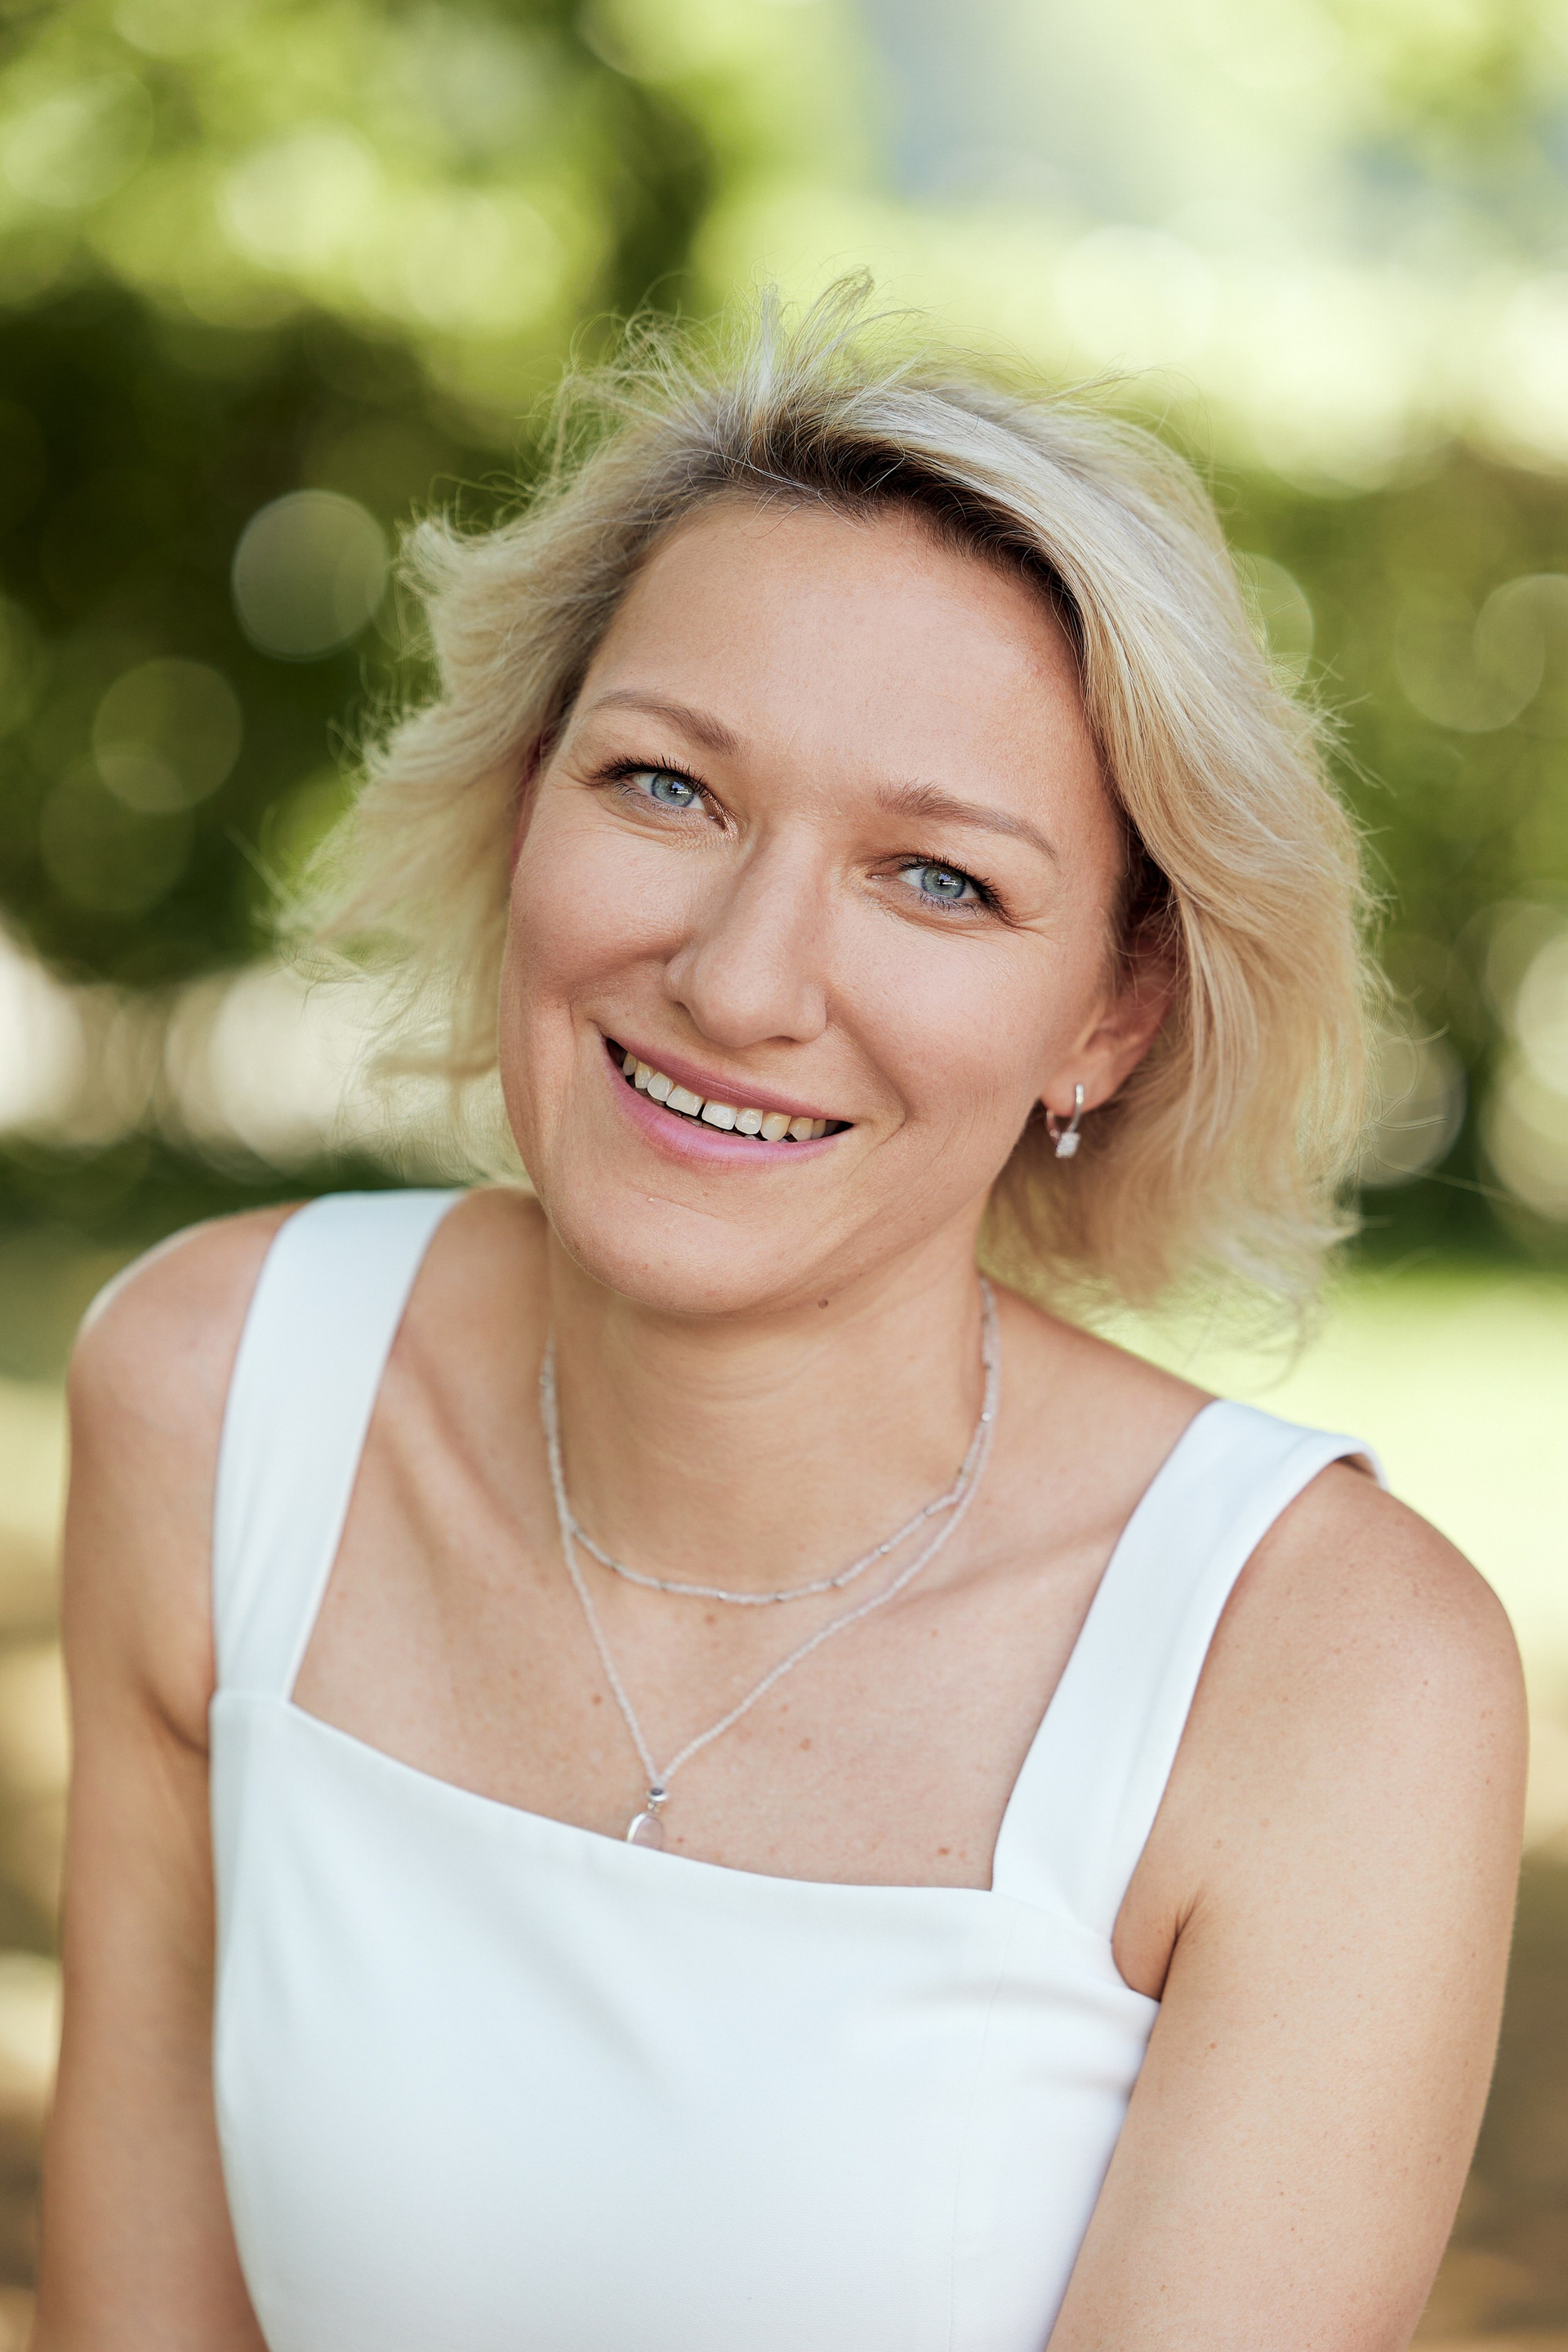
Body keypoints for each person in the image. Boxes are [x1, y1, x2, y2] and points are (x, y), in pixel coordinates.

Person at [33, 284, 1524, 2352]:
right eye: (667, 788)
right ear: (524, 800)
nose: (739, 980)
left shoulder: (1326, 1678)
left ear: (1110, 1017)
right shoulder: (215, 1399)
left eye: (938, 879)